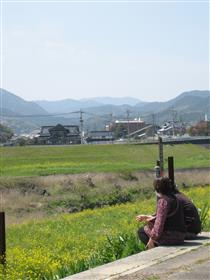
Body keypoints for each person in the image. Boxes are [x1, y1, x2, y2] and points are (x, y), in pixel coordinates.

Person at [136, 177, 186, 249]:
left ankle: (153, 250)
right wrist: (146, 217)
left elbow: (159, 224)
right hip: (181, 236)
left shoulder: (163, 201)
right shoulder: (176, 199)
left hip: (171, 237)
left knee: (141, 231)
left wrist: (152, 239)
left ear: (157, 189)